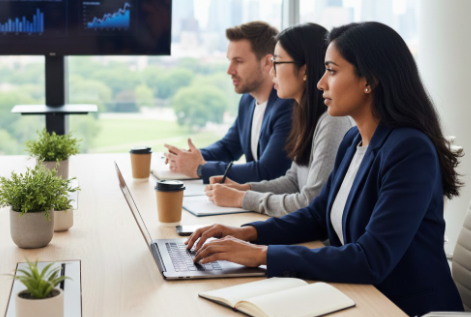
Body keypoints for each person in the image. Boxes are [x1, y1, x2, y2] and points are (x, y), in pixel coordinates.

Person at [185, 22, 464, 317]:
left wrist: (262, 255)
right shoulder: (353, 139)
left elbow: (372, 258)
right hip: (357, 294)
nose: (320, 83)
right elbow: (317, 215)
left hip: (403, 307)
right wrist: (248, 233)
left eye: (331, 71)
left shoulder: (409, 150)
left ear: (370, 79)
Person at [204, 23, 353, 217]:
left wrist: (241, 198)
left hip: (317, 242)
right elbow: (292, 181)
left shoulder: (331, 122)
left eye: (278, 63)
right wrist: (242, 188)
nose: (272, 72)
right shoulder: (305, 115)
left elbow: (310, 202)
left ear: (305, 71)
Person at [164, 22, 293, 184]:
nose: (229, 70)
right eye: (230, 61)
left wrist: (200, 168)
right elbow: (228, 147)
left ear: (268, 62)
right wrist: (186, 157)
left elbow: (267, 171)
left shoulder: (287, 106)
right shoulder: (248, 100)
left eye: (238, 61)